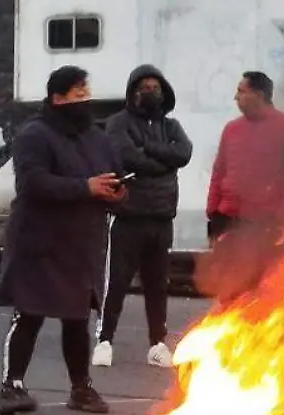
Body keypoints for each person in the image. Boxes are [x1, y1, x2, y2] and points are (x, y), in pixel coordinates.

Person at [0, 65, 126, 415]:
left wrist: (116, 191)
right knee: (30, 312)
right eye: (78, 93)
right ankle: (12, 386)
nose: (86, 98)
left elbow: (109, 176)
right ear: (58, 97)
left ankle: (81, 389)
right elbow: (33, 183)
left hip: (81, 243)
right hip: (39, 239)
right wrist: (85, 187)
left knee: (76, 316)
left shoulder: (96, 137)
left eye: (87, 90)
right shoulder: (35, 135)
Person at [93, 65, 192, 369]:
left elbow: (184, 154)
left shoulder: (172, 126)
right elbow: (126, 156)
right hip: (128, 217)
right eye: (143, 87)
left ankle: (157, 344)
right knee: (116, 283)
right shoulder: (117, 123)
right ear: (132, 91)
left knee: (157, 285)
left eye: (155, 87)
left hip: (162, 218)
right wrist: (164, 161)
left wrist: (149, 149)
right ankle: (104, 341)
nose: (149, 92)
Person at [203, 71, 284, 304]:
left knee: (262, 287)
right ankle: (231, 335)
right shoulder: (232, 129)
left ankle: (259, 334)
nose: (235, 96)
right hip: (229, 219)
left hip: (265, 223)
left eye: (241, 91)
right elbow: (219, 170)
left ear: (258, 94)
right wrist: (213, 212)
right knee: (229, 286)